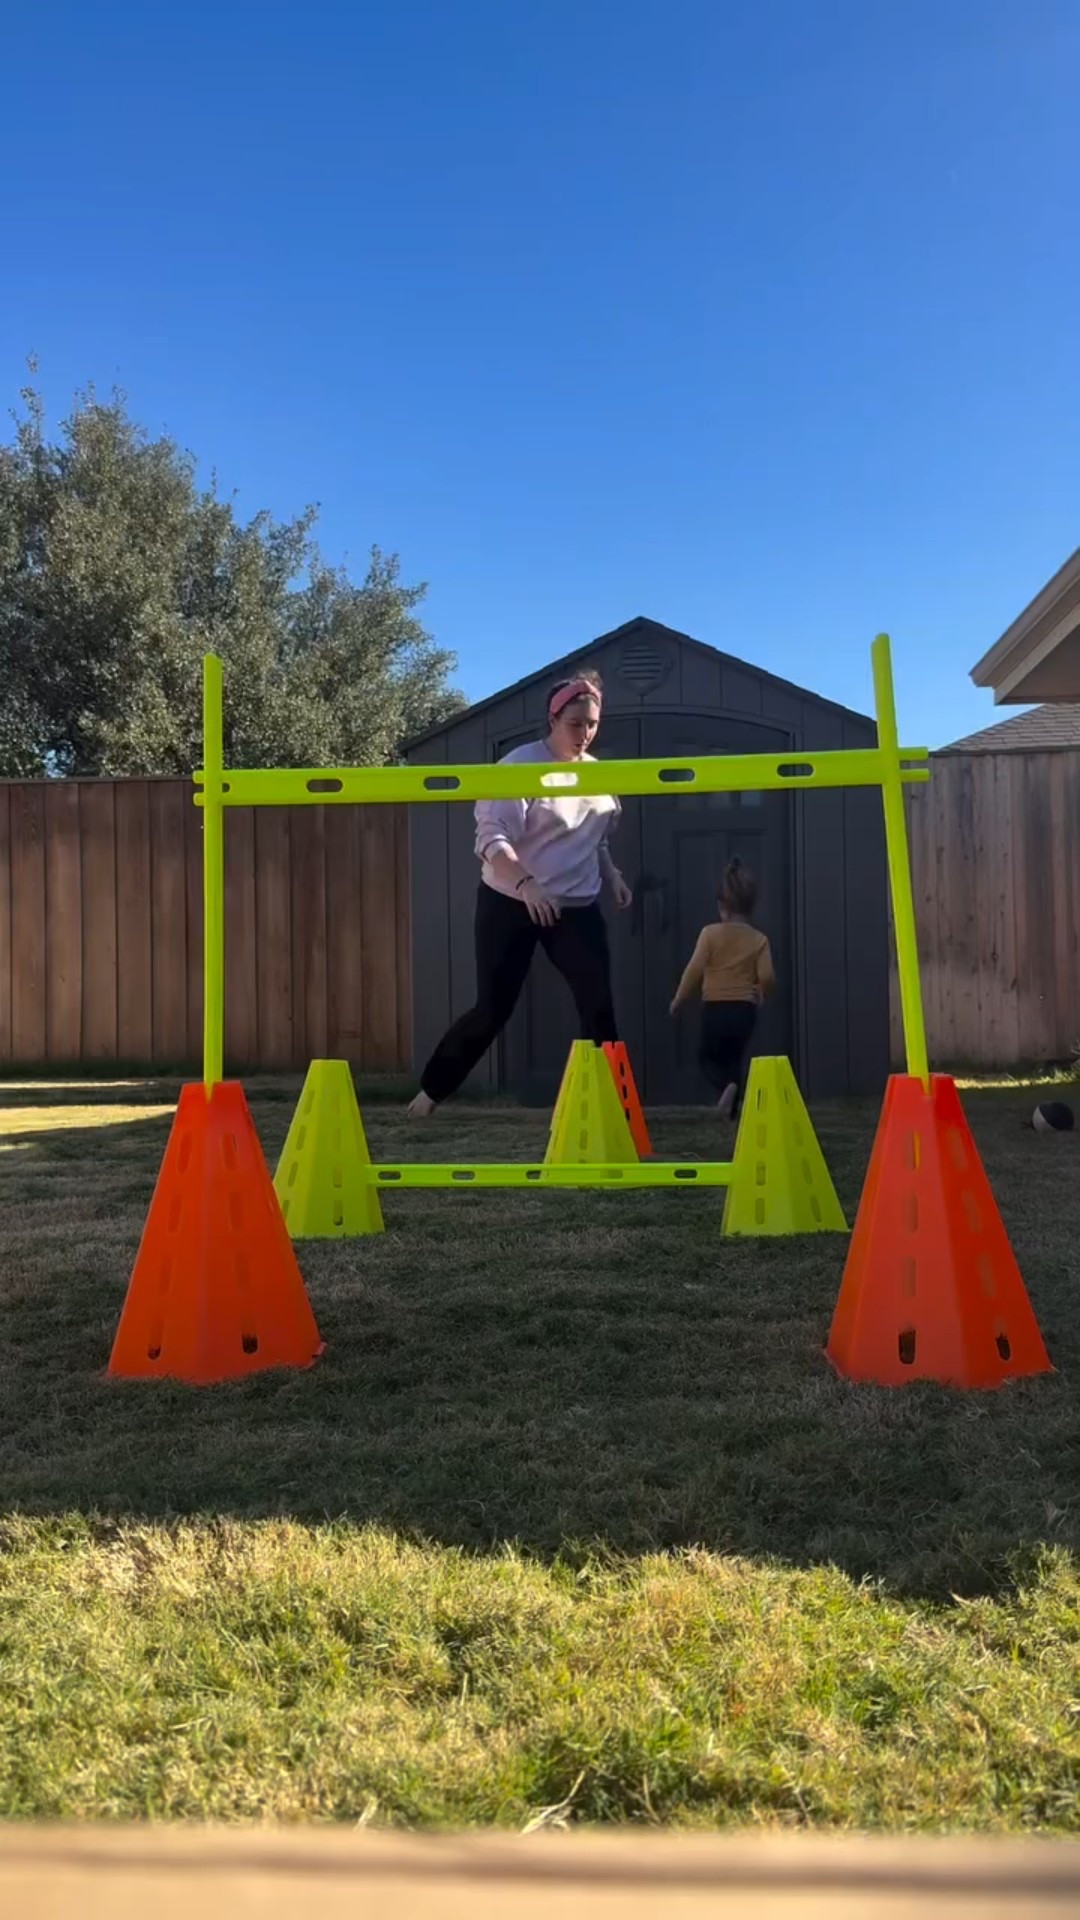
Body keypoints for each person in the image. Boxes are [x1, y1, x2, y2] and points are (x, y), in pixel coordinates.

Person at [406, 672, 633, 1117]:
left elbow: (596, 837)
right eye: (574, 723)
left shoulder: (600, 777)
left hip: (574, 905)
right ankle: (429, 1094)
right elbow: (491, 841)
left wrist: (614, 874)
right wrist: (527, 885)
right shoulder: (520, 767)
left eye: (592, 723)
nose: (584, 733)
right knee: (493, 1009)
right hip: (511, 899)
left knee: (599, 1006)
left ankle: (616, 1112)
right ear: (553, 719)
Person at [668, 856, 775, 1118]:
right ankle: (733, 1111)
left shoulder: (710, 934)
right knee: (734, 1058)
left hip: (715, 1007)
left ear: (721, 906)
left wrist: (679, 999)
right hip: (744, 1010)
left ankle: (725, 1087)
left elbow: (694, 970)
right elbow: (768, 975)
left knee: (706, 1057)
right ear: (751, 906)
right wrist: (762, 991)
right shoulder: (759, 939)